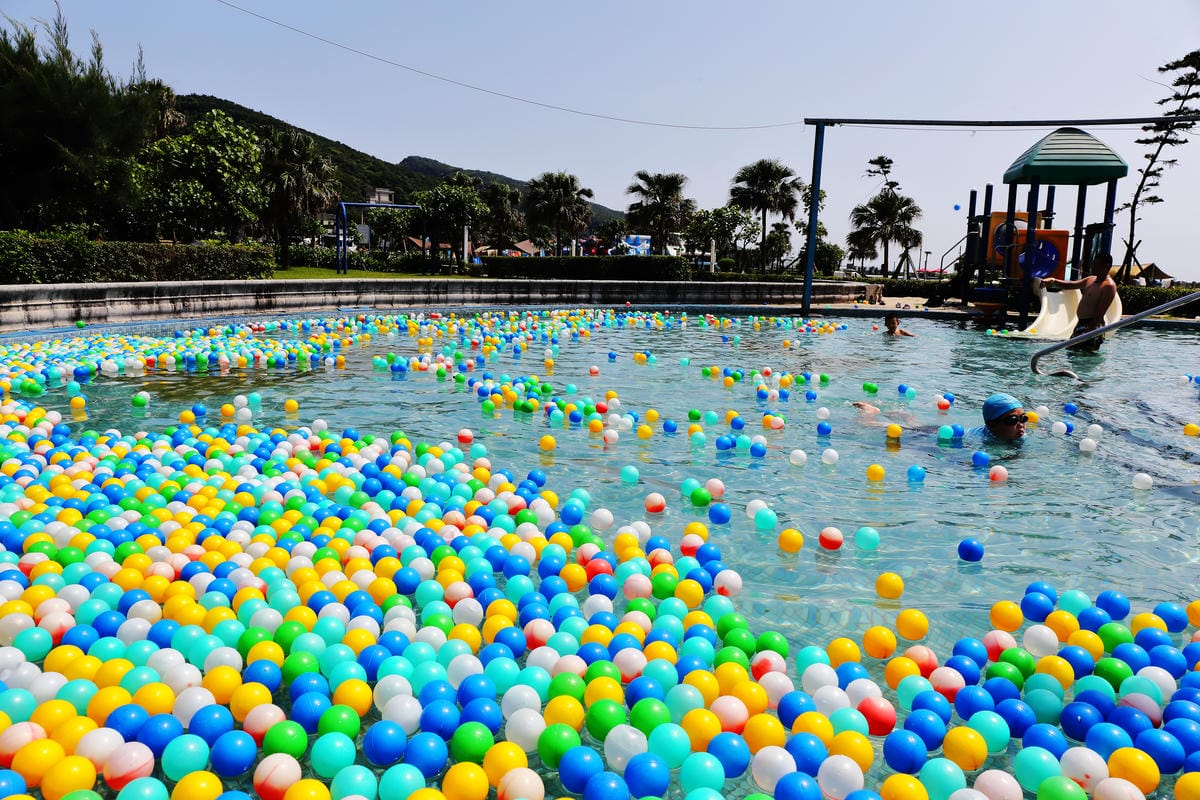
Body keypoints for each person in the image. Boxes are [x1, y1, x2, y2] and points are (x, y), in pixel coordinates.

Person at [1041, 253, 1117, 352]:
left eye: (1096, 264)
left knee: (1084, 358)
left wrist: (1088, 333)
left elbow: (1100, 314)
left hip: (1092, 327)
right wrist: (1053, 281)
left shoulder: (1108, 286)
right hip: (1080, 324)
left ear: (1106, 266)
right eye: (1093, 263)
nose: (1092, 266)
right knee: (1072, 354)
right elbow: (1069, 285)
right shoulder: (1091, 280)